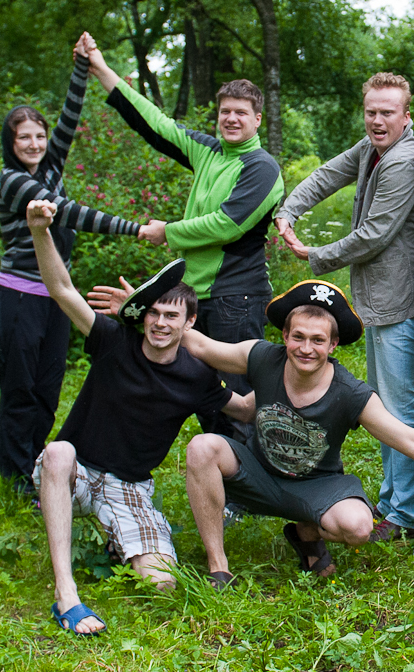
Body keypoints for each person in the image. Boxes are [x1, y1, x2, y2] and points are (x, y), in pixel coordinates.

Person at [98, 280, 414, 583]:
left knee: (359, 527)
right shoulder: (260, 357)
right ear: (284, 335)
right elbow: (202, 345)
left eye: (318, 340)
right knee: (203, 446)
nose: (306, 347)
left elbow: (410, 439)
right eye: (298, 336)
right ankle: (218, 566)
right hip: (258, 474)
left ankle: (306, 534)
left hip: (317, 486)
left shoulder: (351, 393)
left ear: (333, 345)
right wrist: (141, 311)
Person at [25, 207, 254, 634]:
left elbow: (242, 409)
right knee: (57, 452)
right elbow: (60, 288)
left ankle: (110, 530)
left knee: (163, 583)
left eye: (172, 316)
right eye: (154, 313)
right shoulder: (113, 340)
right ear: (142, 316)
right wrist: (40, 230)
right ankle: (66, 594)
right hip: (74, 471)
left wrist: (292, 373)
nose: (161, 323)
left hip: (127, 486)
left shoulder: (197, 374)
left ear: (189, 323)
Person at [85, 39, 284, 439]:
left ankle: (245, 487)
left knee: (240, 398)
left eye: (241, 113)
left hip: (237, 299)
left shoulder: (262, 167)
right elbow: (155, 124)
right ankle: (217, 476)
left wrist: (168, 232)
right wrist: (101, 69)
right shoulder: (208, 152)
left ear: (257, 119)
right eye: (225, 111)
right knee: (204, 390)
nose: (231, 119)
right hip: (198, 294)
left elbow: (227, 224)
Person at [0, 34, 151, 499]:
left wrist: (81, 65)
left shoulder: (50, 165)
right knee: (19, 391)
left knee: (46, 389)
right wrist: (135, 228)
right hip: (18, 296)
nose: (36, 143)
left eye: (39, 136)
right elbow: (71, 213)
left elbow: (70, 120)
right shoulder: (14, 182)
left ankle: (37, 467)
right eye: (25, 137)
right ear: (11, 143)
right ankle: (16, 477)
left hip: (56, 299)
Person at [275, 72, 414, 544]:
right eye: (371, 111)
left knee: (400, 409)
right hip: (377, 301)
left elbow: (375, 234)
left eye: (388, 112)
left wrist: (312, 255)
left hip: (400, 300)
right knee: (386, 404)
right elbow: (326, 175)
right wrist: (288, 210)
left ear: (407, 116)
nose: (378, 120)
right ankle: (394, 501)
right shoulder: (370, 150)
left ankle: (403, 512)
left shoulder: (405, 160)